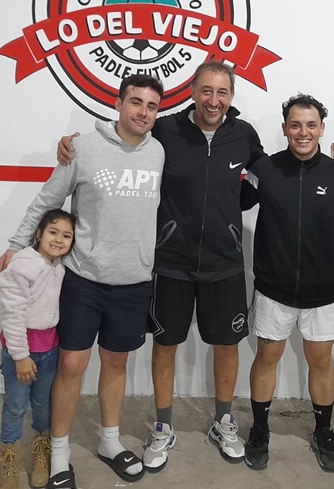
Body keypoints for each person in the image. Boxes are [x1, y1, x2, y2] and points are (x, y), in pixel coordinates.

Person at [56, 61, 266, 471]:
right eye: (207, 91)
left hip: (224, 262)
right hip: (170, 261)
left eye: (222, 92)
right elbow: (123, 140)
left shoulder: (244, 135)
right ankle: (163, 427)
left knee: (227, 346)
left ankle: (223, 421)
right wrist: (71, 144)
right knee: (165, 346)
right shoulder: (166, 130)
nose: (214, 100)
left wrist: (230, 211)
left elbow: (265, 177)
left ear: (231, 97)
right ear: (193, 92)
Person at [0, 74, 165, 489]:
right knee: (72, 364)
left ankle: (110, 441)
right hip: (84, 279)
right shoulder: (84, 149)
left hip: (133, 280)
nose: (143, 112)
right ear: (118, 103)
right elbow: (48, 199)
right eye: (136, 102)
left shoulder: (159, 151)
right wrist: (17, 245)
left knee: (116, 362)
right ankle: (58, 451)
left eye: (151, 106)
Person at [240, 94, 334, 473]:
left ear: (322, 129)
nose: (303, 132)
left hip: (322, 292)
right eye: (295, 125)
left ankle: (323, 432)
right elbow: (227, 200)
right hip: (273, 289)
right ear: (285, 128)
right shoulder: (264, 170)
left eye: (310, 125)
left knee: (320, 362)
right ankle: (260, 430)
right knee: (266, 358)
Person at [0, 209, 75, 489]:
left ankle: (41, 451)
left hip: (50, 349)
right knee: (16, 406)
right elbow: (12, 313)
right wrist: (20, 356)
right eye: (53, 232)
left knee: (42, 403)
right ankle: (10, 459)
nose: (58, 240)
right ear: (39, 233)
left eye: (67, 236)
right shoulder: (22, 265)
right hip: (21, 351)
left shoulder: (61, 264)